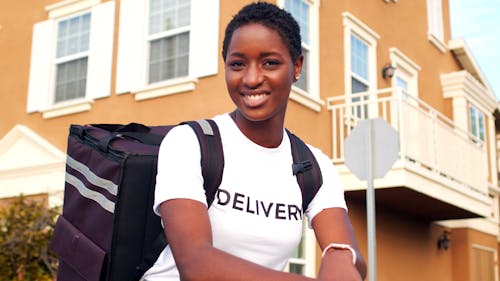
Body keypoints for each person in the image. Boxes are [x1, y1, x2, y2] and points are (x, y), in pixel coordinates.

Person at [142, 2, 366, 281]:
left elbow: (348, 253)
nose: (251, 79)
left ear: (296, 66)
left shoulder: (312, 166)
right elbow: (196, 264)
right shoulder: (190, 143)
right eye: (237, 64)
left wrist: (340, 256)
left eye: (270, 62)